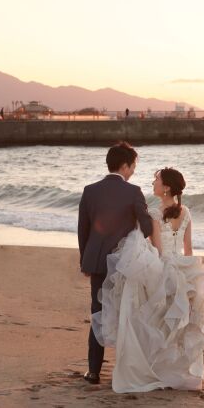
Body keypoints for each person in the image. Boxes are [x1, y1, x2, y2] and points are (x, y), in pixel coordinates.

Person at [91, 167, 204, 392]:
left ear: (166, 187)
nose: (153, 182)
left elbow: (158, 250)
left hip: (164, 268)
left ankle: (154, 370)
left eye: (156, 179)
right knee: (176, 324)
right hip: (183, 268)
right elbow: (188, 248)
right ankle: (177, 371)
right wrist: (190, 277)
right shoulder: (186, 212)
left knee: (153, 320)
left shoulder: (155, 215)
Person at [77, 142, 153, 385]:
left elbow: (83, 231)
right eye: (133, 166)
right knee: (126, 313)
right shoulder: (134, 192)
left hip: (97, 262)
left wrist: (85, 262)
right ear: (124, 165)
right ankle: (127, 370)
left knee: (98, 313)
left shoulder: (90, 190)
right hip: (124, 264)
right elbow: (148, 227)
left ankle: (93, 372)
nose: (133, 171)